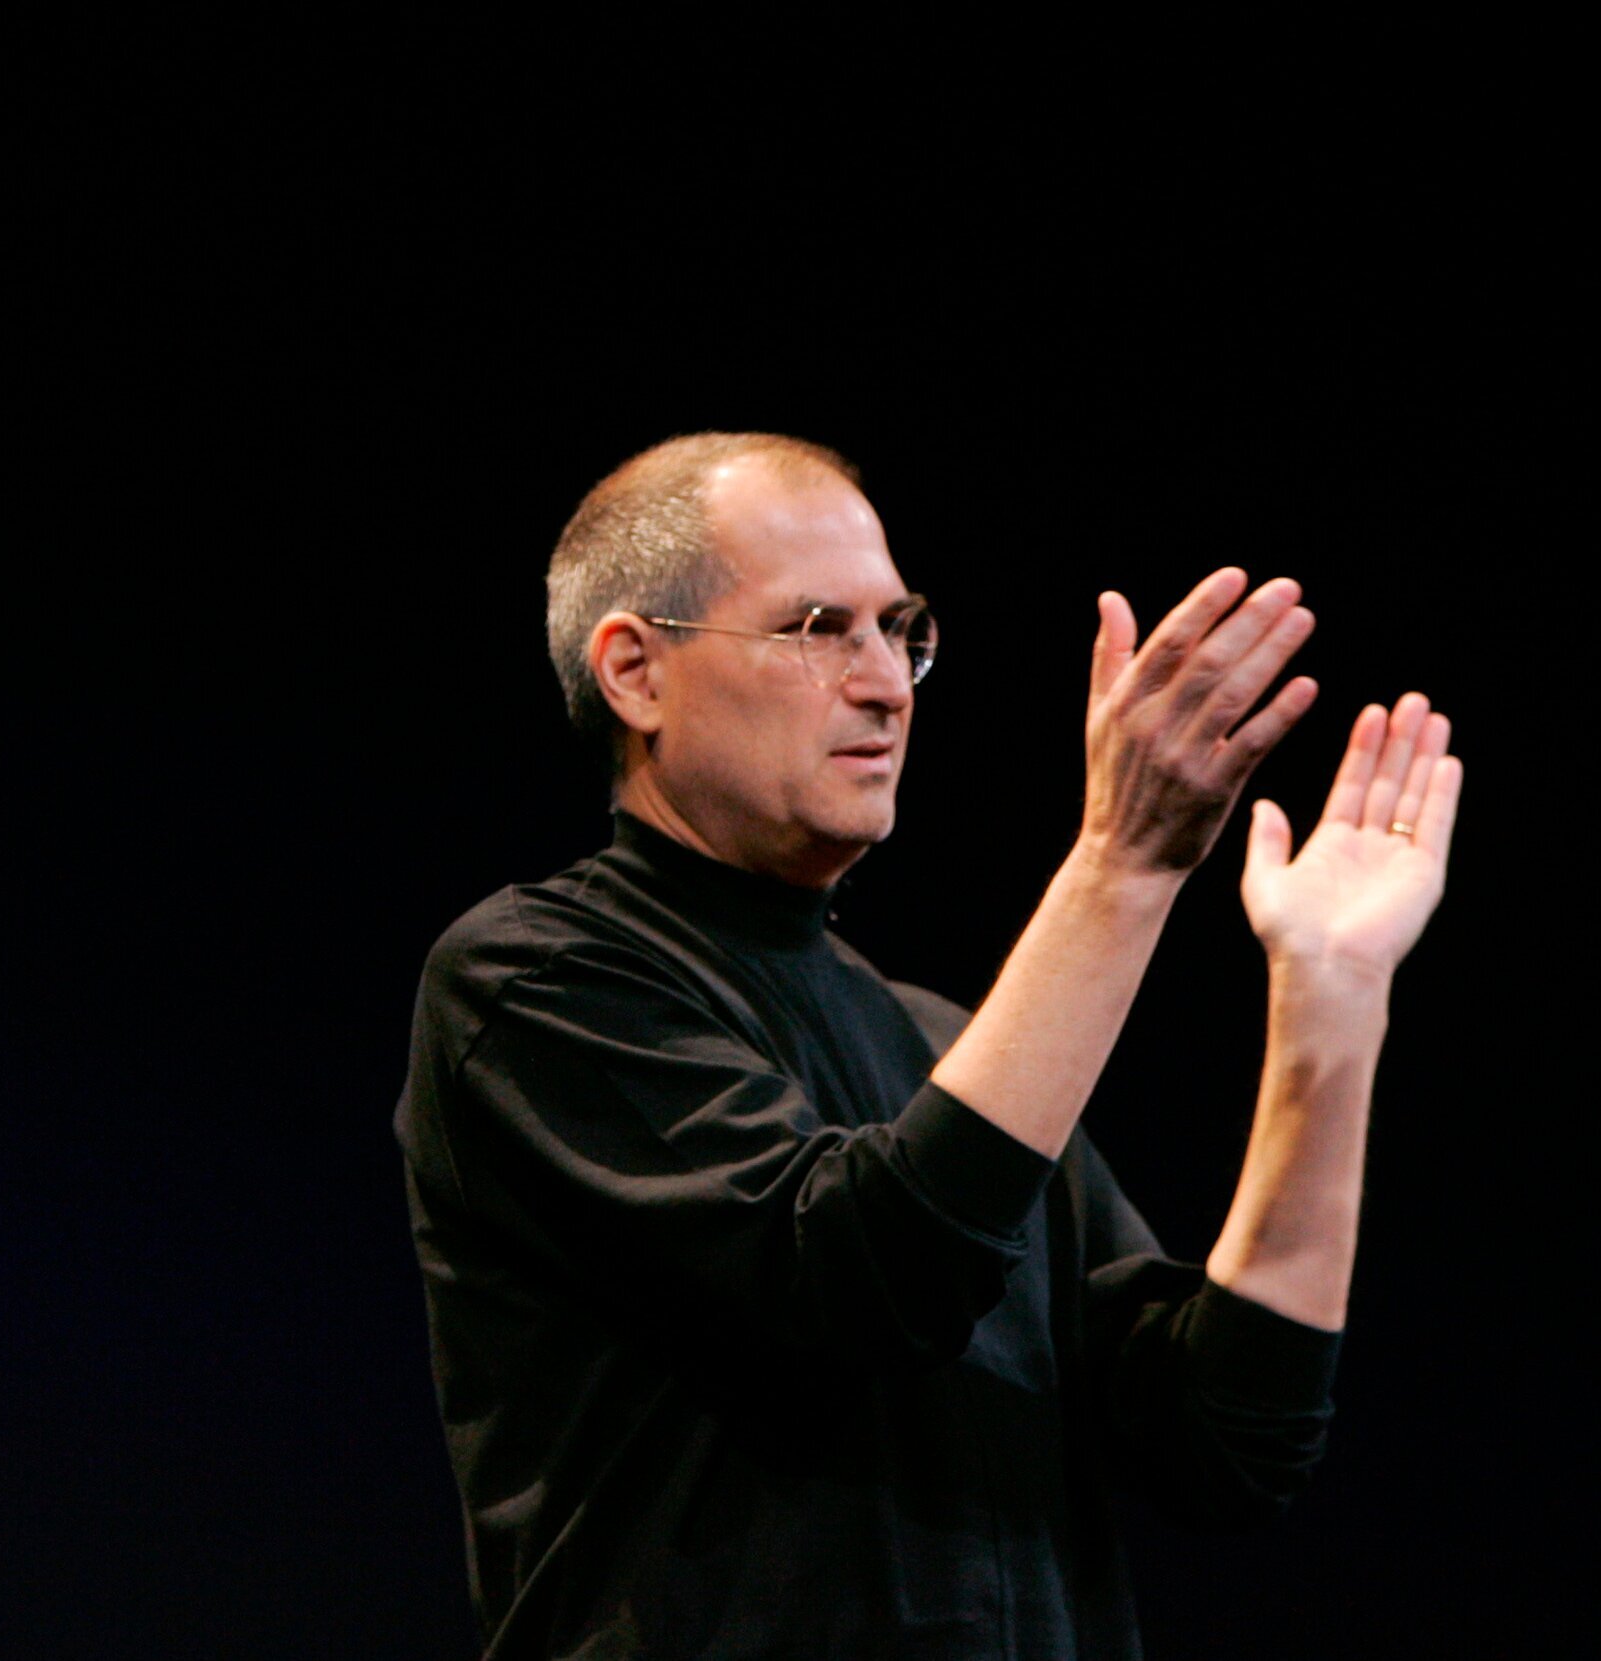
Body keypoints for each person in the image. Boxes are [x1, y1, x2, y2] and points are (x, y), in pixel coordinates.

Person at [395, 432, 1460, 1659]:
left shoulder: (937, 1042)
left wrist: (1333, 999)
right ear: (635, 672)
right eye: (817, 628)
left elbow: (1223, 1441)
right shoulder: (535, 979)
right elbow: (859, 1278)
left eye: (900, 631)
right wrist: (1123, 865)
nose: (887, 684)